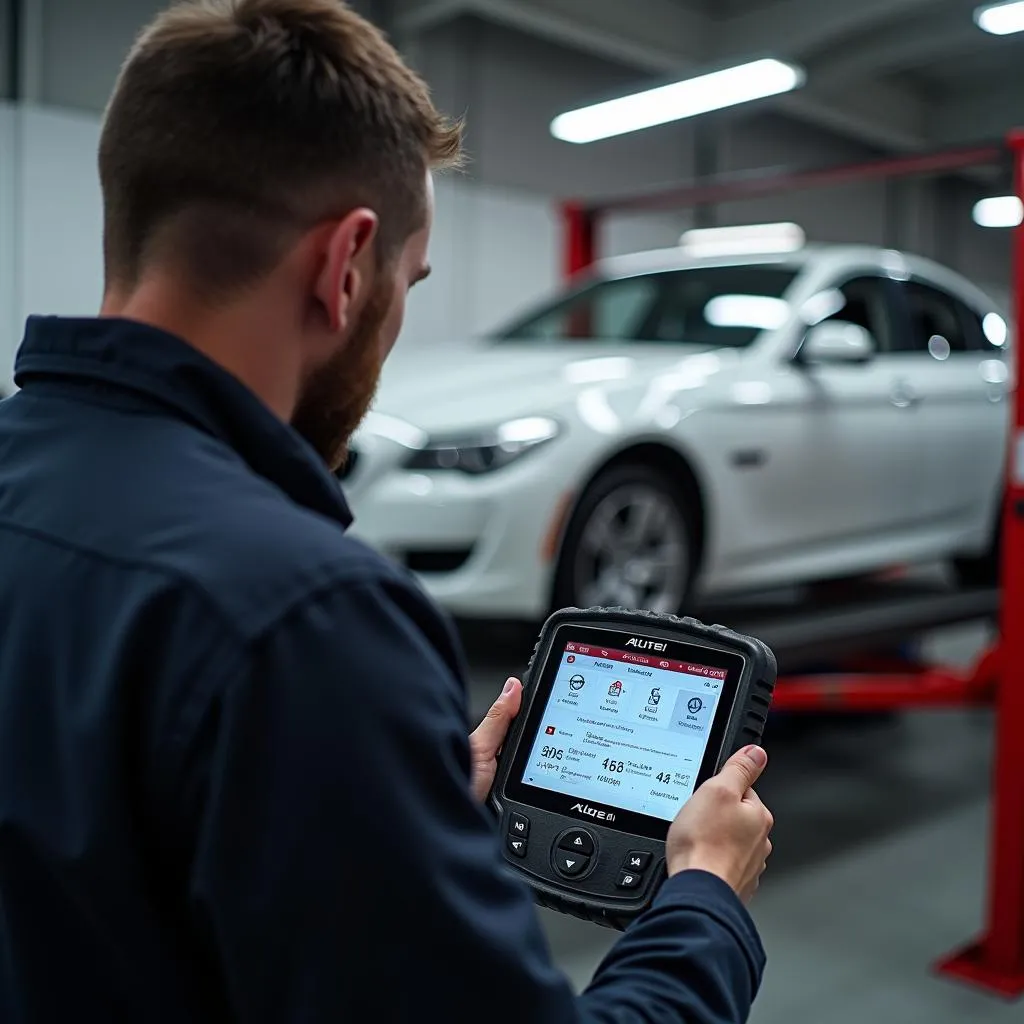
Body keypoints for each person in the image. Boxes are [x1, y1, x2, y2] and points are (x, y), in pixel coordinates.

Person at [0, 1, 774, 1021]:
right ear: (345, 265)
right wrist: (706, 900)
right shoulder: (303, 617)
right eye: (407, 285)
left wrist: (375, 802)